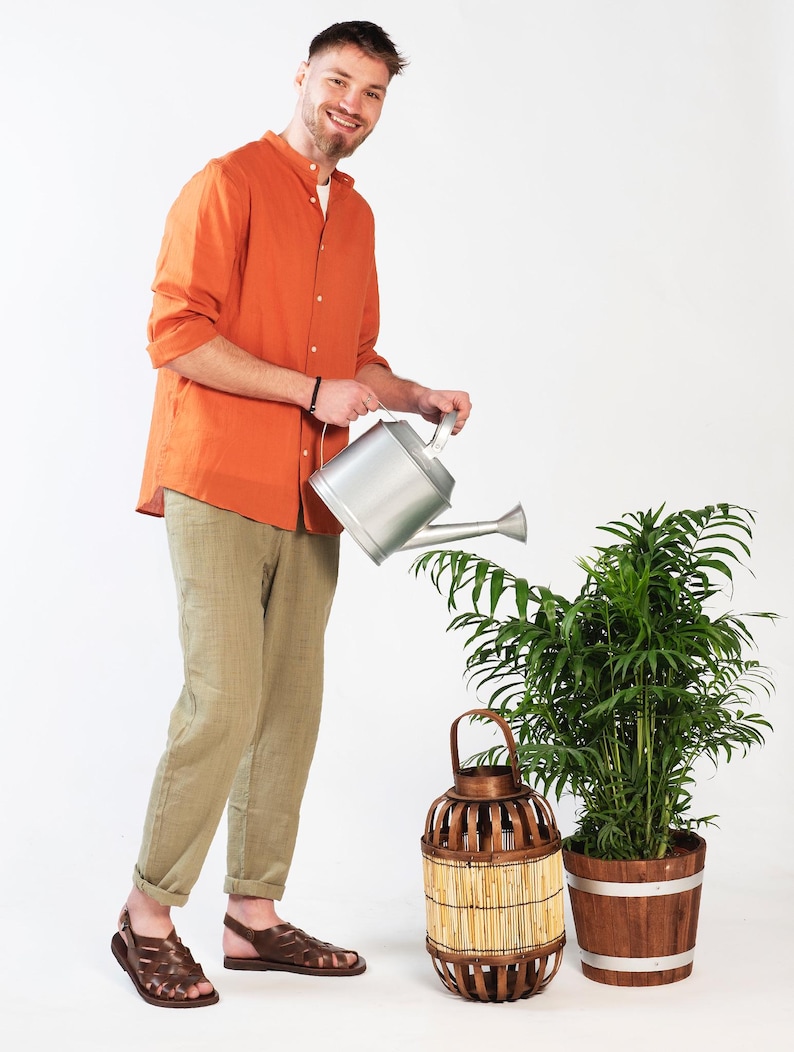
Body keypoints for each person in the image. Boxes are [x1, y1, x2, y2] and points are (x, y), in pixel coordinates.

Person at [111, 20, 472, 1008]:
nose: (349, 105)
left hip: (316, 497)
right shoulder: (225, 184)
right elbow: (176, 336)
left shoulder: (354, 218)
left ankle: (251, 917)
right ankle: (146, 916)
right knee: (222, 698)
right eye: (338, 81)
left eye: (371, 94)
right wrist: (309, 392)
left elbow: (354, 360)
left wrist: (411, 393)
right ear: (302, 78)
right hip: (219, 479)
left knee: (288, 712)